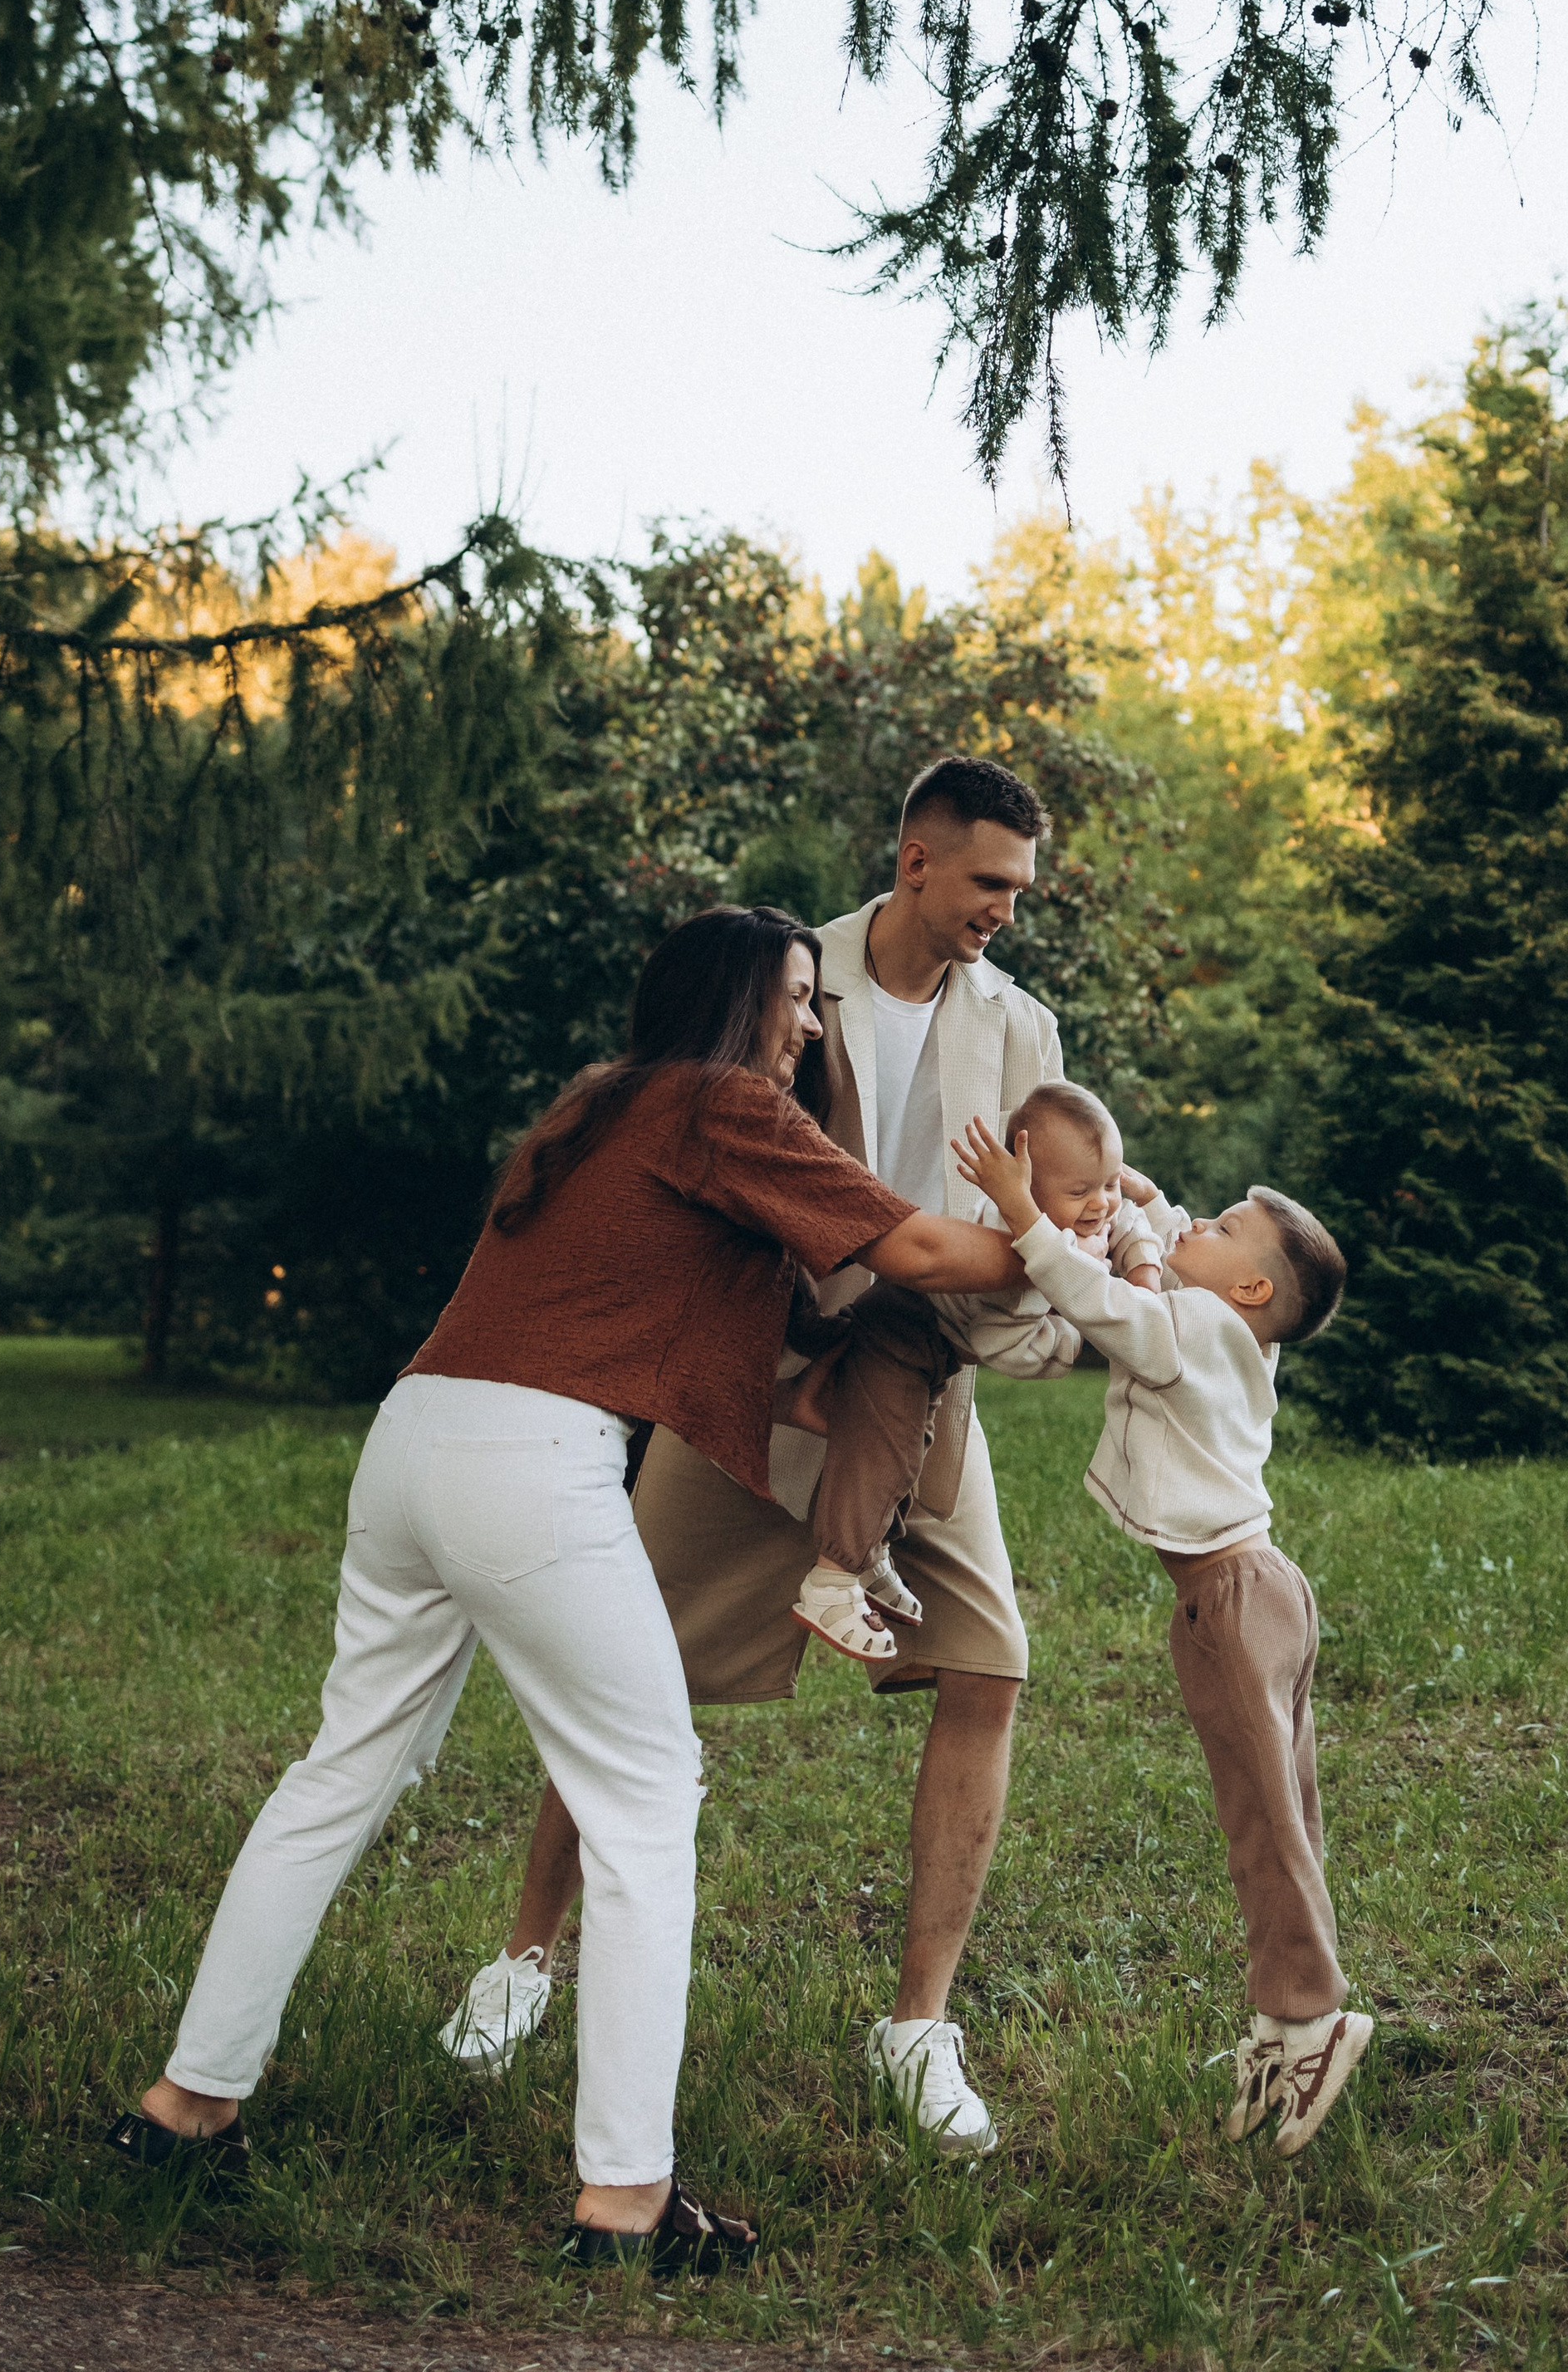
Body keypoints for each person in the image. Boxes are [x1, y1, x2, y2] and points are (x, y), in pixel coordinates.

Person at [106, 905, 1021, 2272]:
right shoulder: (718, 1101)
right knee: (646, 1801)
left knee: (338, 1773)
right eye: (795, 996)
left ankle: (187, 2106)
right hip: (532, 1468)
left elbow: (782, 1366)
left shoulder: (597, 1107)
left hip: (414, 1441)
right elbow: (926, 1253)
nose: (810, 1024)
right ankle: (626, 2202)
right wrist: (1067, 1248)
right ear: (735, 1001)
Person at [441, 755, 1061, 2159]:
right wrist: (781, 1365)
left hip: (917, 1381)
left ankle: (918, 2030)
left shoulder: (1024, 1028)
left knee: (989, 1668)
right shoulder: (782, 979)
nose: (1005, 912)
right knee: (627, 1664)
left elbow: (1037, 1217)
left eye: (1021, 891)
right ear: (915, 861)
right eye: (988, 883)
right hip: (749, 1375)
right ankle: (524, 1962)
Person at [950, 1101, 1377, 2158]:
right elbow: (1162, 1235)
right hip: (1256, 1590)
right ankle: (1283, 2018)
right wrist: (1132, 1194)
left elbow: (1099, 1302)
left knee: (1261, 1823)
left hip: (1231, 1603)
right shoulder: (1232, 1333)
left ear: (1251, 1289)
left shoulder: (1192, 1330)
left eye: (1222, 1227)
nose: (1194, 1221)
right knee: (1285, 1814)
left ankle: (1313, 2020)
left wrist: (1023, 1211)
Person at [786, 1083, 1165, 1664]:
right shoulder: (1016, 1242)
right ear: (1023, 1190)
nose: (1103, 1204)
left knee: (914, 1446)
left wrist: (1142, 1280)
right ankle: (832, 1580)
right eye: (1080, 1191)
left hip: (937, 1346)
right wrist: (1083, 1334)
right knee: (885, 1451)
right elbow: (1009, 1348)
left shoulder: (1095, 1214)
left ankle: (869, 1553)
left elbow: (1131, 1222)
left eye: (1110, 1183)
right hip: (906, 1326)